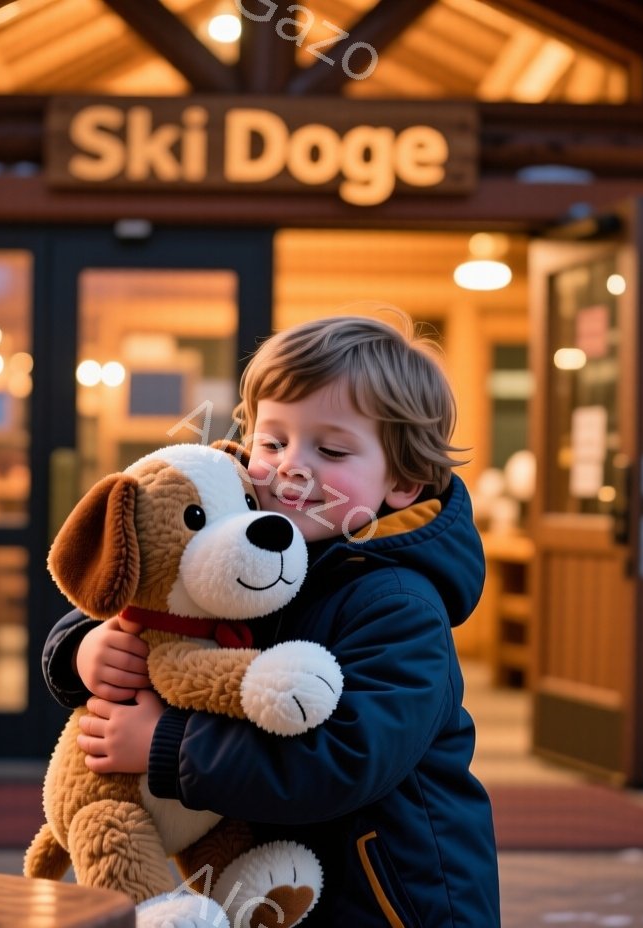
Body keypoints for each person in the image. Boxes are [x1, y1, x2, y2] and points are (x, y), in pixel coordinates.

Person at [41, 312, 500, 927]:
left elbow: (348, 758)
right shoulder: (239, 540)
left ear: (404, 480)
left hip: (389, 902)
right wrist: (83, 648)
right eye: (273, 441)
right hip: (278, 889)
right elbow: (144, 586)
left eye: (331, 449)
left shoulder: (400, 604)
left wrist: (166, 746)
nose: (291, 467)